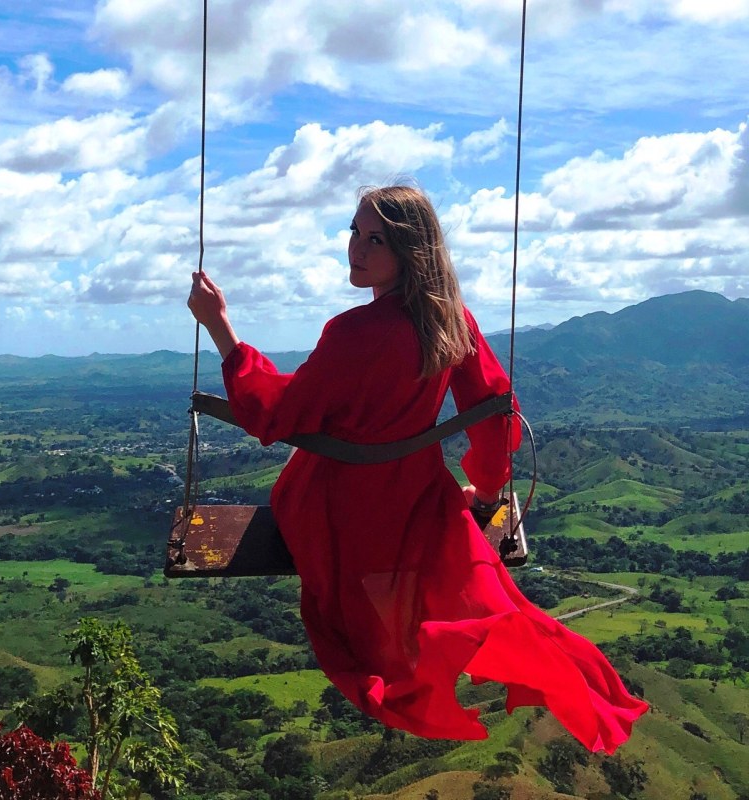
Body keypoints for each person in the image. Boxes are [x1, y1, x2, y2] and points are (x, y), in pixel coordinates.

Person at [187, 185, 648, 752]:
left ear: (409, 251)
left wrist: (220, 327)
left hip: (335, 506)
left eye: (375, 239)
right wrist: (485, 491)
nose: (356, 249)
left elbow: (275, 413)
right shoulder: (451, 322)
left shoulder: (354, 332)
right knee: (489, 603)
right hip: (418, 500)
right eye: (354, 232)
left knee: (364, 631)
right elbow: (493, 416)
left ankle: (406, 671)